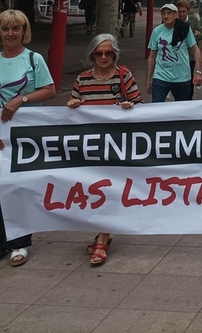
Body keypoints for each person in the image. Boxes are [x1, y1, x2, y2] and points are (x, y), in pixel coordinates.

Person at [0, 10, 56, 267]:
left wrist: (22, 99)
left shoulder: (33, 59)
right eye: (5, 29)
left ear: (23, 32)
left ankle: (19, 242)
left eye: (15, 29)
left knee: (19, 187)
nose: (10, 34)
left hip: (25, 138)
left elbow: (49, 90)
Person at [67, 34, 141, 266]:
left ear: (115, 54)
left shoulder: (124, 76)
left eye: (108, 53)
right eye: (99, 53)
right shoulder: (83, 79)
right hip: (90, 148)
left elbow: (141, 109)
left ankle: (102, 238)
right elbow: (71, 107)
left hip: (116, 146)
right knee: (93, 191)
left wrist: (130, 107)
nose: (104, 57)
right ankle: (101, 233)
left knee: (108, 189)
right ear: (92, 54)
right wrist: (72, 106)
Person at [145, 3, 199, 102]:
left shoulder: (185, 29)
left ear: (176, 15)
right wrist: (149, 79)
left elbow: (195, 49)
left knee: (182, 110)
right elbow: (152, 56)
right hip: (160, 76)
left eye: (169, 13)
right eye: (163, 14)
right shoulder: (157, 31)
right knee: (156, 109)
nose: (166, 16)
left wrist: (198, 72)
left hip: (181, 78)